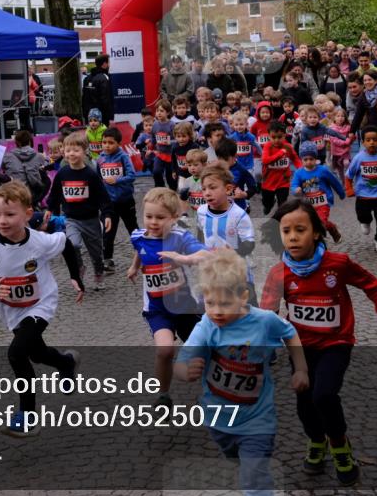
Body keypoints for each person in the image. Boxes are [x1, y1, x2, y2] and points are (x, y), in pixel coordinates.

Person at [260, 199, 377, 486]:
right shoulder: (279, 273)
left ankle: (339, 445)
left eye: (300, 229)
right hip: (300, 347)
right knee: (304, 402)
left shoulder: (337, 265)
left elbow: (370, 284)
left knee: (324, 395)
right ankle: (316, 441)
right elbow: (267, 313)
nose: (292, 237)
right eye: (286, 231)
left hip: (336, 343)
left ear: (315, 233)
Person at [173, 248, 308, 496]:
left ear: (243, 297)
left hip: (258, 418)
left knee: (254, 475)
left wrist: (300, 368)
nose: (216, 311)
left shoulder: (264, 321)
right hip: (218, 418)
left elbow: (290, 333)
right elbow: (182, 359)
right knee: (238, 462)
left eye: (225, 304)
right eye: (210, 303)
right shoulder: (206, 326)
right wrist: (184, 371)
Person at [0, 181, 84, 436]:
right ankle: (66, 362)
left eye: (9, 214)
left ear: (27, 215)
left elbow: (66, 244)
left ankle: (27, 416)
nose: (2, 221)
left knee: (17, 353)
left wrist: (75, 277)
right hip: (11, 309)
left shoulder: (39, 241)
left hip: (41, 304)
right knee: (36, 354)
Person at [126, 187, 208, 408]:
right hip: (156, 308)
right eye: (148, 216)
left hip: (185, 308)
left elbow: (204, 254)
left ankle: (213, 390)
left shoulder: (181, 237)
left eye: (160, 217)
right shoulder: (138, 236)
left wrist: (182, 258)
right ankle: (163, 395)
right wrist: (135, 267)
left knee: (202, 351)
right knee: (165, 350)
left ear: (174, 218)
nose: (153, 222)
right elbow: (139, 249)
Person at [47, 132, 113, 286]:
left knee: (96, 253)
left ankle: (98, 272)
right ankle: (79, 266)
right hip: (71, 219)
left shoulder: (90, 174)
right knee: (73, 244)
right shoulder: (62, 173)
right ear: (63, 151)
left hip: (91, 219)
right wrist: (50, 209)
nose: (72, 154)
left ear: (84, 151)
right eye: (68, 150)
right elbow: (55, 193)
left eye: (76, 150)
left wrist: (107, 214)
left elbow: (103, 196)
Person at [195, 164, 257, 302]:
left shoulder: (239, 215)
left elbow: (250, 243)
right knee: (212, 308)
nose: (207, 193)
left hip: (238, 272)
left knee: (248, 309)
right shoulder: (201, 211)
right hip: (213, 271)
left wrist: (232, 253)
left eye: (212, 187)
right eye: (204, 189)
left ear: (228, 189)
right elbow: (200, 235)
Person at [95, 126, 138, 275]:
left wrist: (117, 180)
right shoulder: (100, 159)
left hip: (125, 200)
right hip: (108, 203)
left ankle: (143, 254)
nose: (107, 145)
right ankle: (107, 260)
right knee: (108, 232)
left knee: (132, 228)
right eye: (104, 142)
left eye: (110, 143)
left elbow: (132, 175)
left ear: (118, 144)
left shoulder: (123, 156)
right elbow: (97, 180)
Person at [292, 141, 346, 244]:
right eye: (305, 159)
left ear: (316, 159)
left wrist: (341, 193)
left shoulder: (322, 170)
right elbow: (294, 185)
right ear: (301, 160)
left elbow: (334, 181)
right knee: (310, 223)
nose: (308, 162)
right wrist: (296, 190)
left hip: (323, 202)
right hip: (307, 204)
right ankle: (331, 228)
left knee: (321, 222)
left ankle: (320, 240)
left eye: (311, 159)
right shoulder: (299, 173)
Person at [261, 121, 300, 215]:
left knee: (283, 204)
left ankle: (277, 222)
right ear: (269, 136)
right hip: (268, 182)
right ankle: (268, 205)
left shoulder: (288, 147)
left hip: (283, 181)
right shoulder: (267, 146)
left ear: (285, 135)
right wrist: (280, 154)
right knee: (267, 202)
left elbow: (296, 159)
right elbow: (265, 160)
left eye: (280, 137)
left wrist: (302, 169)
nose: (276, 140)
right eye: (273, 137)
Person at [2, 129, 51, 204]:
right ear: (30, 141)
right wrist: (45, 158)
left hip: (13, 193)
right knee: (47, 179)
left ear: (17, 142)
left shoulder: (7, 156)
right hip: (31, 194)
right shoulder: (39, 156)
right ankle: (35, 203)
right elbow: (47, 168)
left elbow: (3, 169)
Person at [150, 99, 177, 190]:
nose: (159, 113)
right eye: (157, 111)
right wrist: (150, 148)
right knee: (156, 172)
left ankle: (173, 191)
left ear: (168, 112)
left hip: (170, 155)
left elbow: (177, 140)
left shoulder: (172, 125)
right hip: (160, 154)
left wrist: (170, 142)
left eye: (162, 111)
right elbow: (153, 138)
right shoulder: (155, 125)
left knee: (170, 177)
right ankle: (160, 189)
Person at [81, 54, 114, 124]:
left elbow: (84, 98)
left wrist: (85, 114)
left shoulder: (87, 78)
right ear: (104, 64)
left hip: (89, 117)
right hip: (101, 118)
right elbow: (106, 99)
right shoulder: (104, 78)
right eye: (109, 63)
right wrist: (110, 117)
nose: (109, 65)